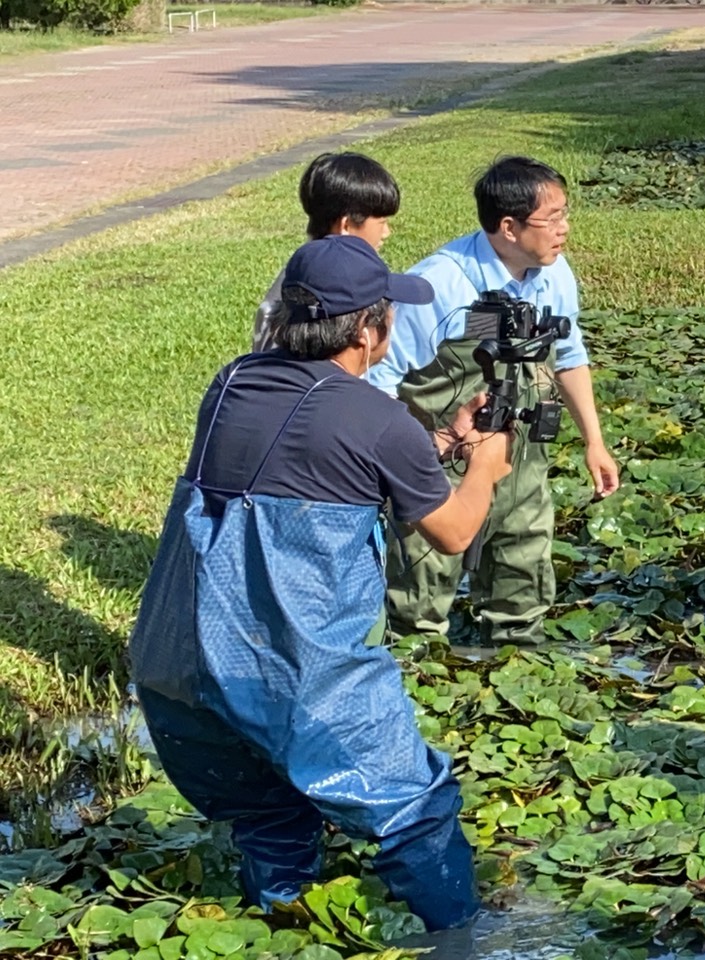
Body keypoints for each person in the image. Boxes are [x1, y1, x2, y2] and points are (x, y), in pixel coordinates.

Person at [128, 235, 515, 932]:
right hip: (292, 677)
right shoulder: (380, 419)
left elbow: (315, 461)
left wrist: (442, 444)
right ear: (369, 330)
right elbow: (454, 532)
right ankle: (465, 940)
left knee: (273, 813)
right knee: (414, 811)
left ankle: (280, 925)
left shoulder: (231, 383)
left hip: (176, 669)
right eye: (386, 314)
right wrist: (483, 465)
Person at [370, 156, 621, 646]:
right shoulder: (438, 286)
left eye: (565, 215)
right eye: (552, 219)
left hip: (520, 460)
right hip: (440, 465)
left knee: (521, 594)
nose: (564, 230)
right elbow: (379, 378)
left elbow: (569, 357)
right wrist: (403, 462)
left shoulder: (555, 272)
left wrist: (594, 441)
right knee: (418, 605)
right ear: (508, 227)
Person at [253, 152, 401, 352]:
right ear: (346, 225)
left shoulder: (307, 275)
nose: (386, 232)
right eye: (381, 222)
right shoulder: (301, 299)